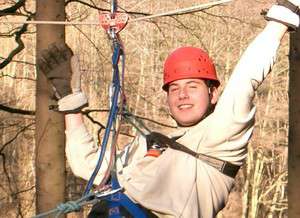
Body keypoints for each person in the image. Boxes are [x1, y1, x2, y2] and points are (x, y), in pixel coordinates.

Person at [37, 0, 299, 217]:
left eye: (193, 86)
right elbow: (88, 166)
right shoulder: (151, 143)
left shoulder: (222, 136)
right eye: (174, 89)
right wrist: (72, 107)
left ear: (213, 93)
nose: (182, 95)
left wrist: (279, 22)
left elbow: (245, 79)